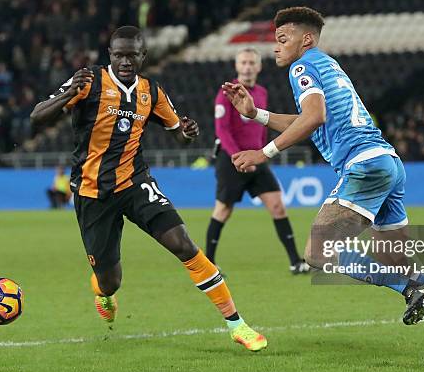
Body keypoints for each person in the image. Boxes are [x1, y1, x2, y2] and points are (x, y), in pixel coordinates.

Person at [223, 6, 424, 364]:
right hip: (386, 163)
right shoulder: (328, 65)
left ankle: (413, 289)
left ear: (305, 39)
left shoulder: (303, 66)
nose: (276, 48)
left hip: (364, 167)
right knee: (402, 265)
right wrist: (256, 115)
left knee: (318, 252)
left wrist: (263, 153)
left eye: (282, 39)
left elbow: (313, 118)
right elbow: (315, 120)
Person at [30, 26, 266, 352]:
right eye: (119, 55)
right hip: (92, 192)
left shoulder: (150, 92)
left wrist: (187, 132)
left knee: (183, 244)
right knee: (110, 281)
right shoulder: (89, 81)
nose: (125, 61)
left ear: (143, 56)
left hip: (135, 182)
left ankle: (236, 324)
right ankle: (103, 292)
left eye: (132, 55)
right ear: (110, 55)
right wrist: (68, 96)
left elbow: (176, 131)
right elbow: (36, 116)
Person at [208, 47, 309, 274]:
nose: (247, 67)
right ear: (236, 66)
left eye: (251, 63)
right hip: (231, 159)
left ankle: (296, 261)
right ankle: (209, 265)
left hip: (257, 158)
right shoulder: (226, 92)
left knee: (277, 206)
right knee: (223, 210)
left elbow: (263, 126)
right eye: (243, 62)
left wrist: (263, 153)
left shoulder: (261, 92)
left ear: (259, 66)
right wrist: (237, 156)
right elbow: (222, 131)